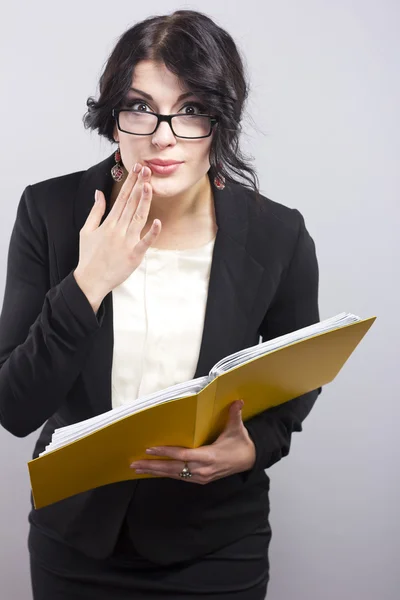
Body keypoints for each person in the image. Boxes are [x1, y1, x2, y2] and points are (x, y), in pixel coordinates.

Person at [0, 9, 321, 600]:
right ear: (113, 116)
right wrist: (87, 282)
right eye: (141, 107)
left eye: (193, 109)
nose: (163, 134)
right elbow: (15, 407)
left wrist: (253, 448)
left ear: (221, 121)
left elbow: (296, 382)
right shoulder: (48, 213)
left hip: (216, 542)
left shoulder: (279, 234)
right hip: (76, 541)